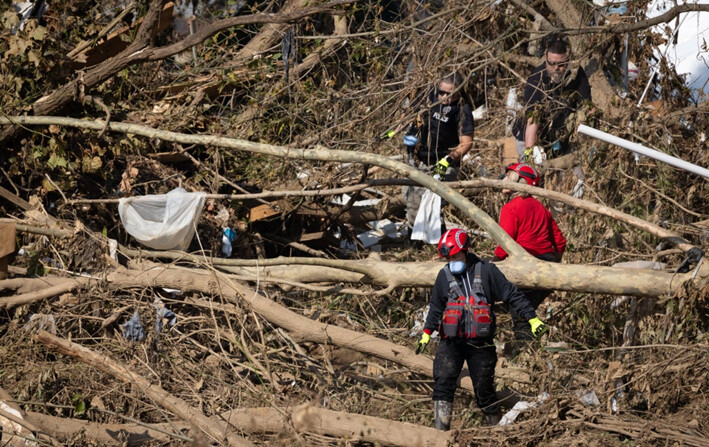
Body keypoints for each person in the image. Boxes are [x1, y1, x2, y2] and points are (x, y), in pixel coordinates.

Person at [415, 228, 548, 429]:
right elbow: (435, 307)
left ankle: (495, 434)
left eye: (455, 256)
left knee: (484, 389)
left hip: (481, 345)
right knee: (443, 381)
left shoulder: (487, 271)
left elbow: (512, 295)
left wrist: (533, 319)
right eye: (448, 258)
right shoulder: (444, 276)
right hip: (452, 343)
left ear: (465, 251)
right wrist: (426, 333)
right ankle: (440, 434)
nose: (452, 261)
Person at [493, 163, 566, 341]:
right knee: (525, 309)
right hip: (548, 266)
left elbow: (505, 244)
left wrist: (493, 265)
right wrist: (551, 261)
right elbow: (560, 242)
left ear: (521, 181)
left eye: (509, 176)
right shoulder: (541, 208)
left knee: (521, 316)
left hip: (526, 266)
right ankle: (533, 348)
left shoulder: (510, 208)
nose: (504, 180)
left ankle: (525, 354)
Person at [402, 73, 475, 228]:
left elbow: (466, 143)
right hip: (417, 159)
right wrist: (397, 133)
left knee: (430, 200)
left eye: (450, 94)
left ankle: (435, 238)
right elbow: (407, 116)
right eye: (441, 92)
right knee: (410, 199)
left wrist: (447, 160)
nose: (444, 97)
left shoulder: (462, 109)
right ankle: (414, 240)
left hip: (441, 162)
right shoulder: (428, 97)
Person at [513, 37, 592, 164]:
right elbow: (533, 121)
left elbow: (587, 108)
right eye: (551, 63)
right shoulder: (536, 79)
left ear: (568, 60)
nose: (556, 68)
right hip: (529, 136)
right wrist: (529, 156)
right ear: (546, 59)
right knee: (531, 173)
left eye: (561, 64)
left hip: (559, 138)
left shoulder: (577, 75)